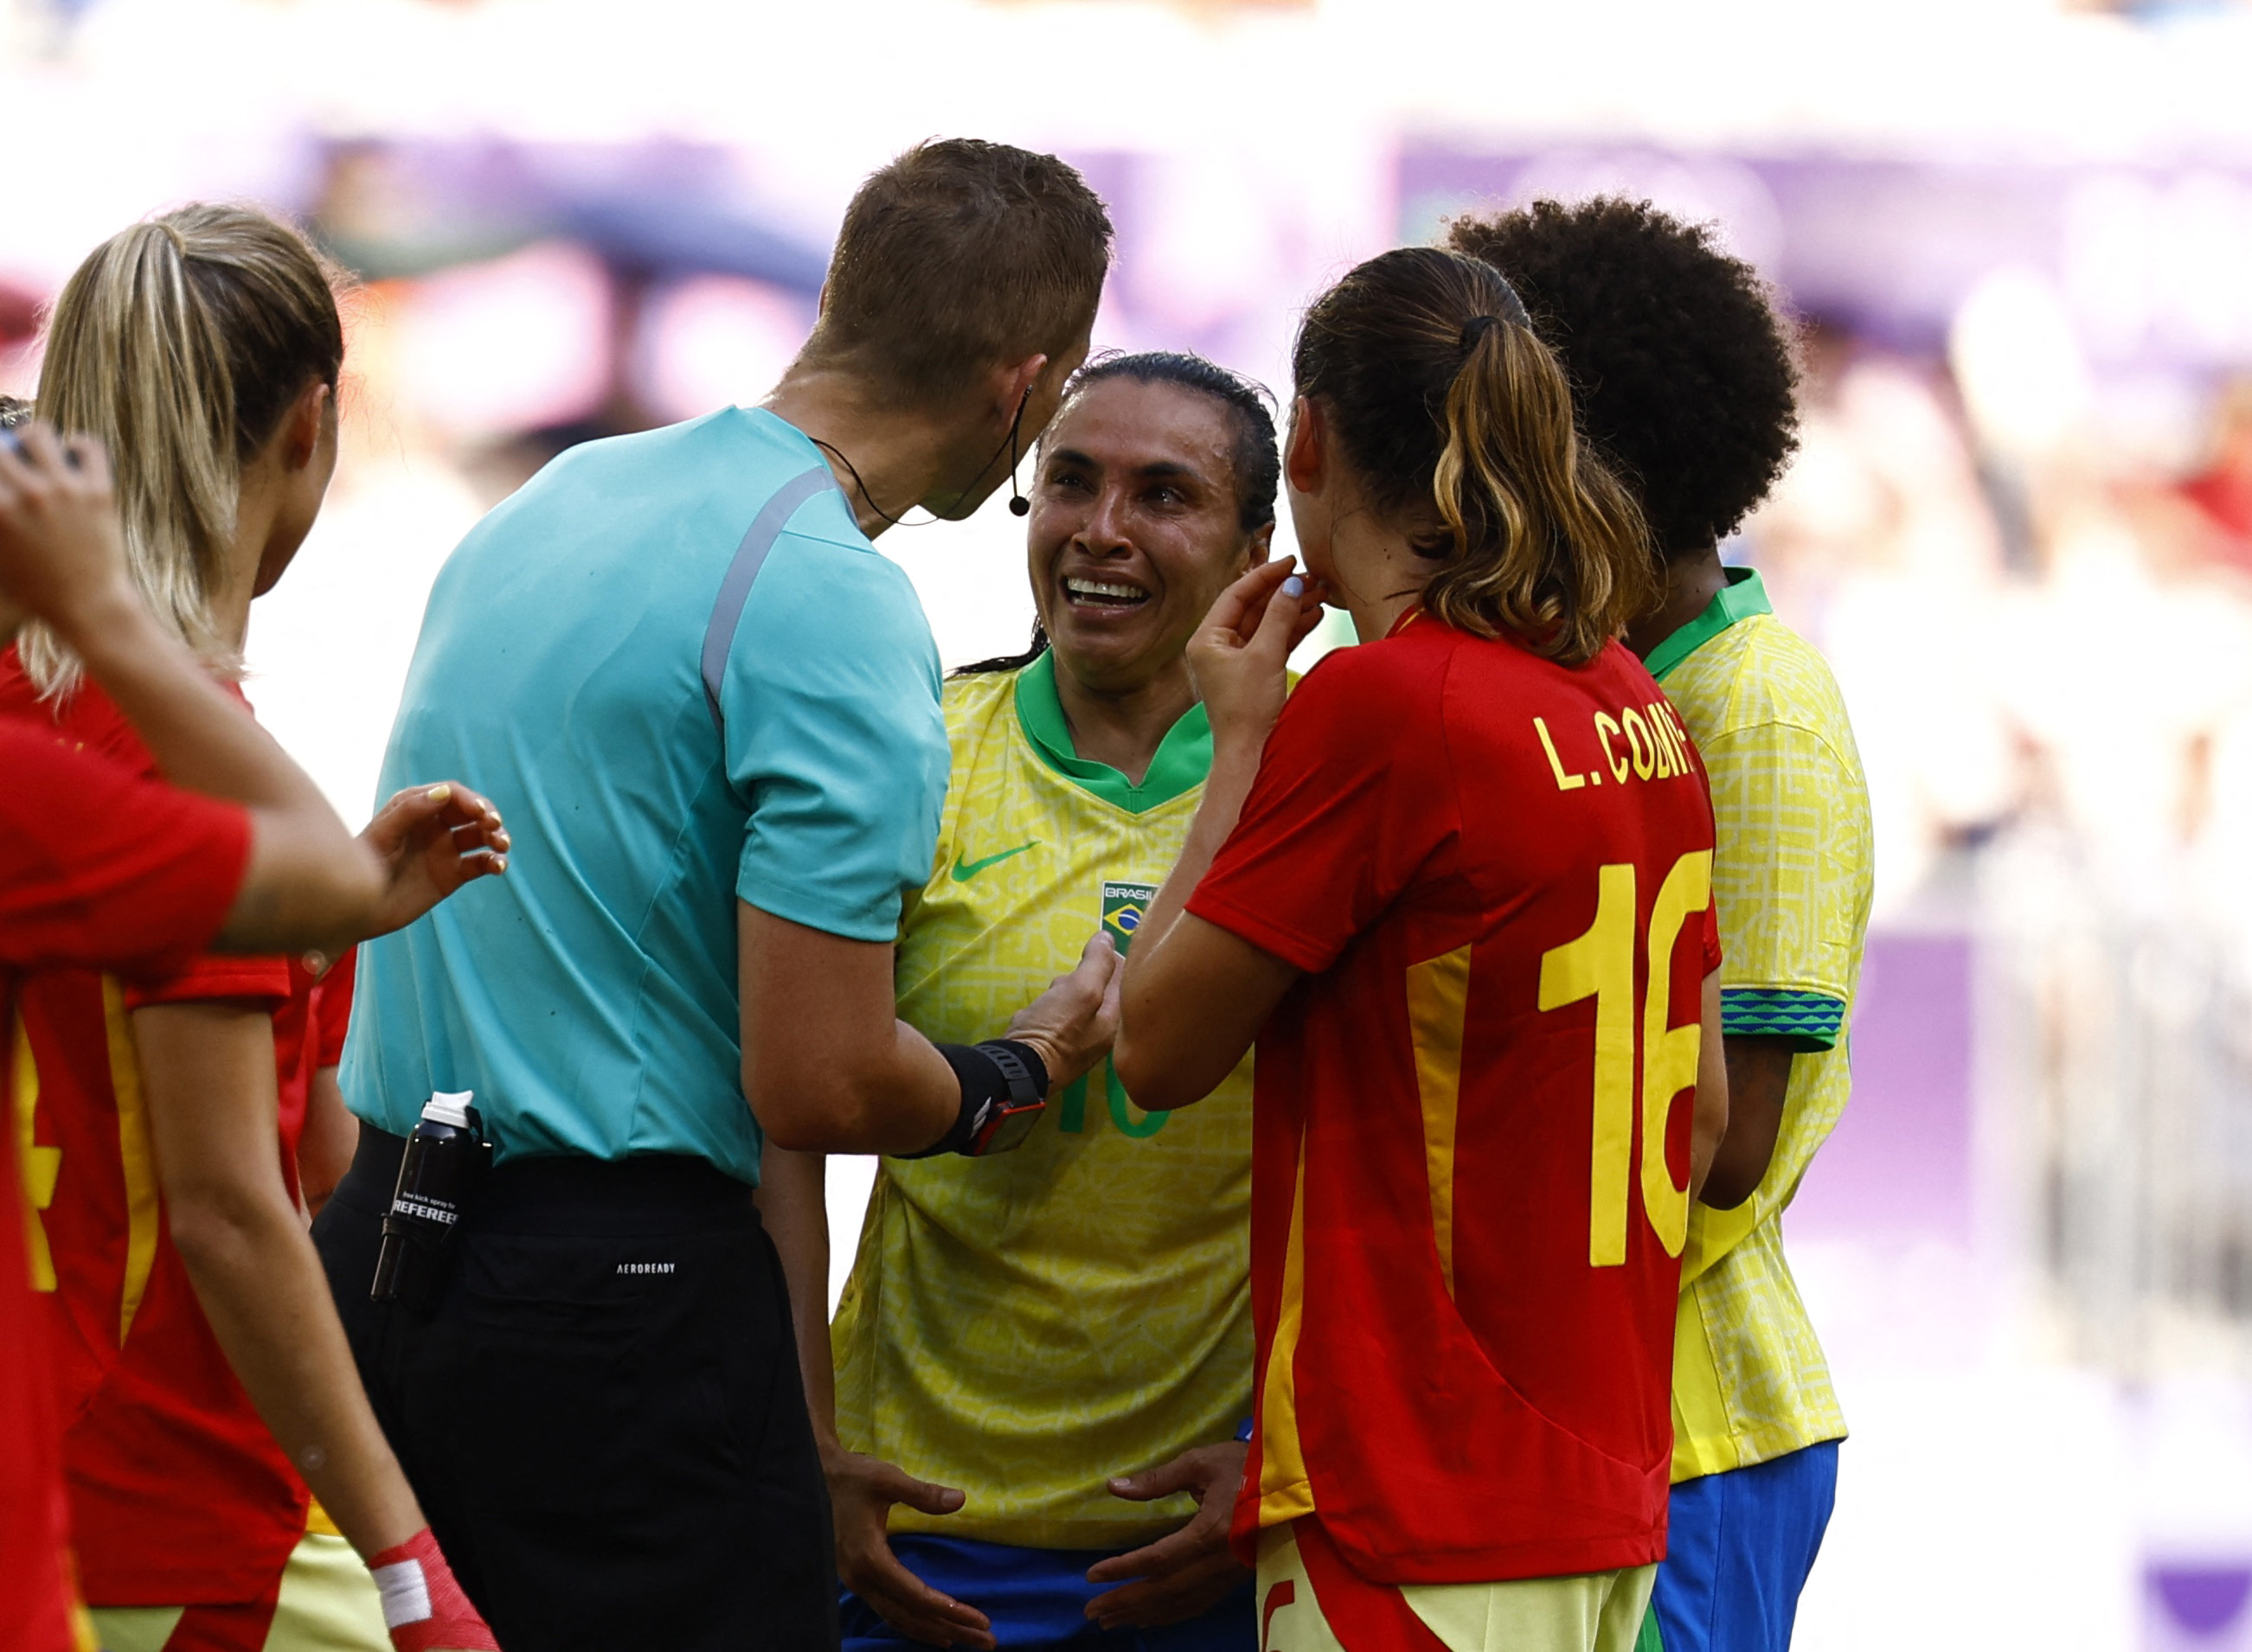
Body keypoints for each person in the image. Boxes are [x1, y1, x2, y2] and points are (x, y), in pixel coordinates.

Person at [315, 138, 1121, 1651]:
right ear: (1028, 386)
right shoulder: (827, 592)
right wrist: (1018, 1070)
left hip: (386, 1244)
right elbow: (814, 1074)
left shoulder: (561, 493)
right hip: (605, 1311)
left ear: (836, 296)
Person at [1113, 246, 1735, 1652]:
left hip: (1422, 1501)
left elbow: (1151, 1049)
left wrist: (1241, 745)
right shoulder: (1626, 693)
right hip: (1604, 1492)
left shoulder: (1382, 708)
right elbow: (1696, 1125)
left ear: (1312, 438)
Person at [3, 213, 506, 1652]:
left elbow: (294, 1150)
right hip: (171, 1495)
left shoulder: (38, 716)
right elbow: (234, 1208)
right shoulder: (177, 751)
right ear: (309, 423)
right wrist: (414, 1569)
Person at [761, 352, 1280, 1652]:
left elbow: (1403, 1159)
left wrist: (1286, 1454)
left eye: (1164, 495)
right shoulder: (917, 751)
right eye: (1070, 482)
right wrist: (809, 1444)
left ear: (1257, 551)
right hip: (920, 1541)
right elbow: (777, 1120)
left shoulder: (1318, 782)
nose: (1101, 531)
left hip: (1205, 1550)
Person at [1449, 198, 1873, 1652]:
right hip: (1584, 1417)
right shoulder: (1601, 685)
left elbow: (1727, 1138)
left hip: (1698, 1428)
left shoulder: (1753, 705)